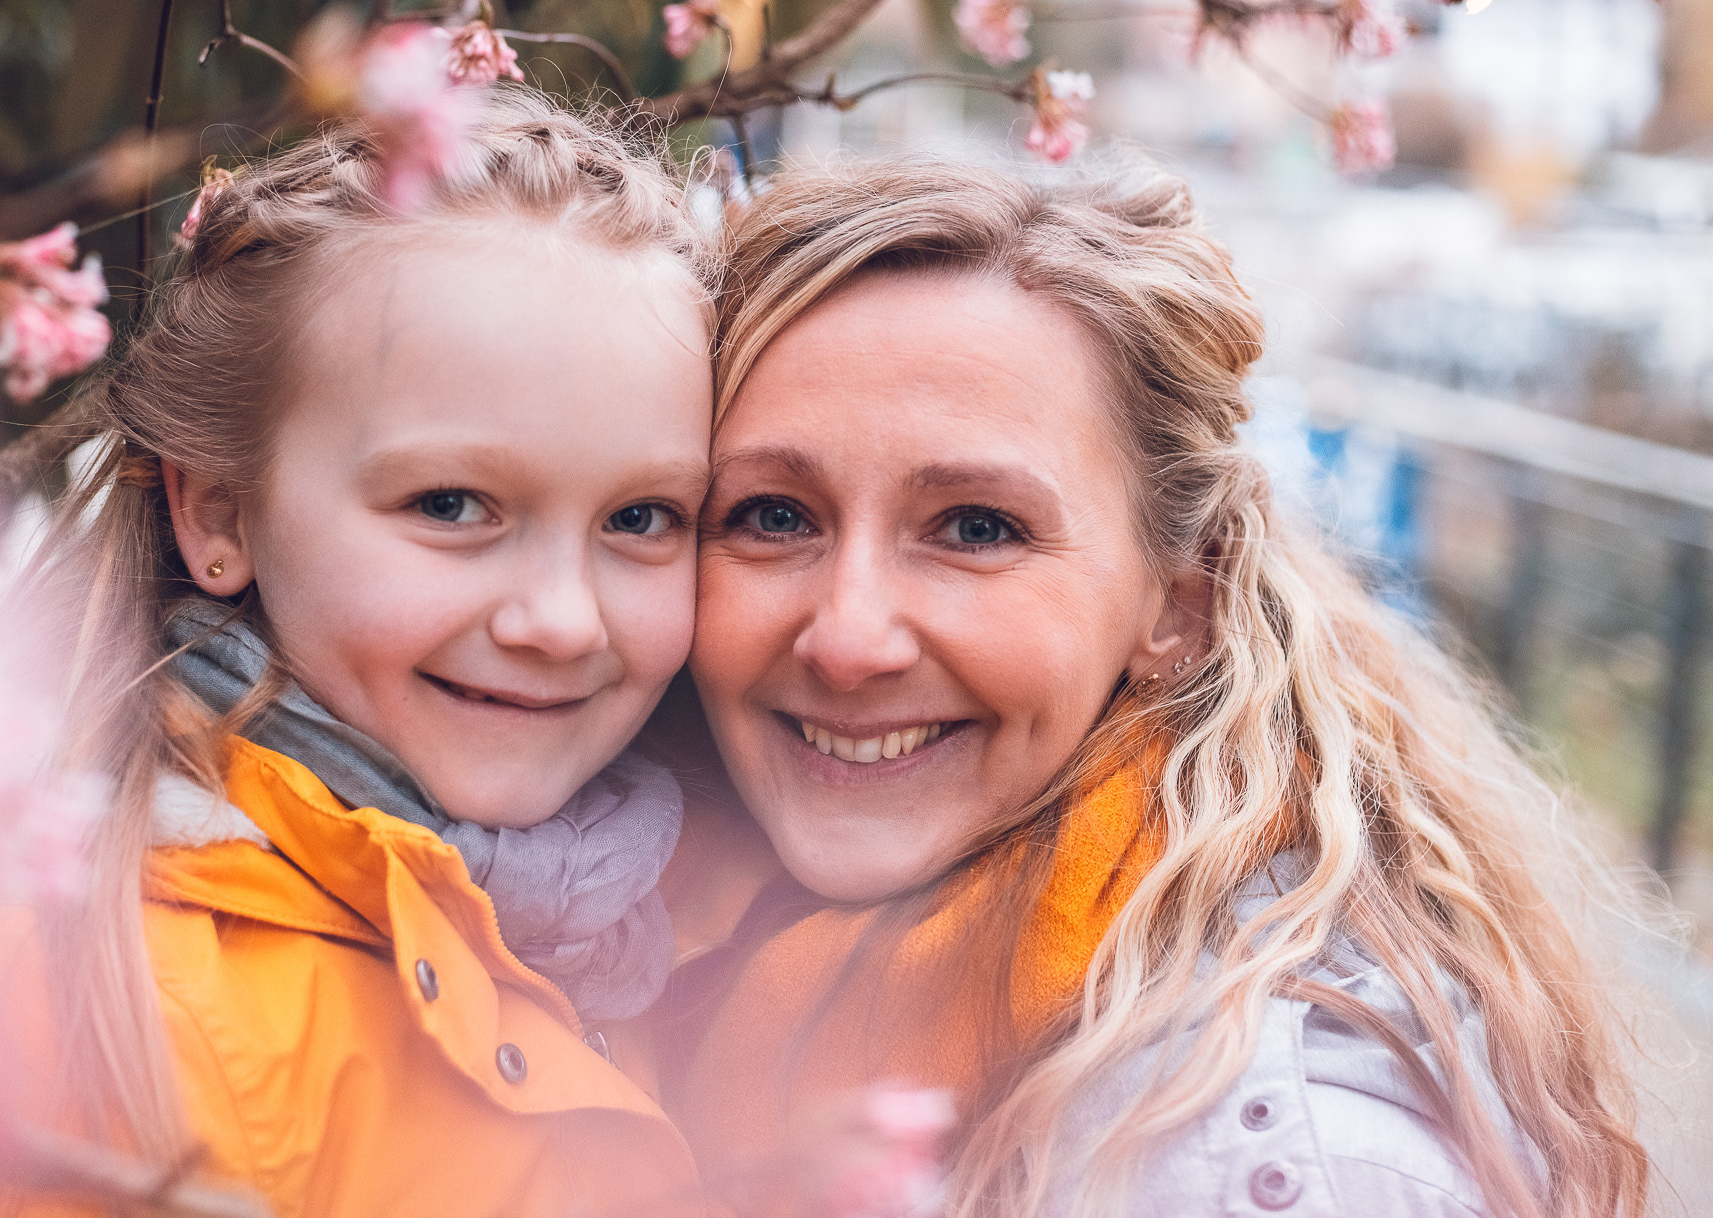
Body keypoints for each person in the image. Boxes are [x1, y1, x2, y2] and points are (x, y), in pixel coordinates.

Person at [661, 157, 1650, 1218]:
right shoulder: (650, 922)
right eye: (771, 515)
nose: (848, 638)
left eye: (976, 528)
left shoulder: (1259, 1159)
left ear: (1177, 603)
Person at [7, 97, 714, 1217]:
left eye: (642, 518)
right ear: (221, 517)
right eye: (451, 503)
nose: (564, 620)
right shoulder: (122, 1016)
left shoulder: (683, 923)